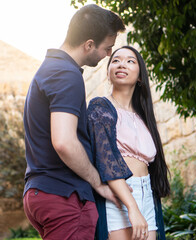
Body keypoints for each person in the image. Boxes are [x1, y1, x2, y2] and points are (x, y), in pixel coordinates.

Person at [22, 4, 125, 240]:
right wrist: (97, 182)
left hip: (41, 192)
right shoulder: (67, 74)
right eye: (107, 48)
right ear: (89, 44)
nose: (109, 55)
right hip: (65, 196)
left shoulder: (49, 69)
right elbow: (64, 142)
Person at [87, 46, 170, 240]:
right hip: (119, 195)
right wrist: (132, 207)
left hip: (146, 192)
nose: (121, 64)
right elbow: (106, 162)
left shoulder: (144, 116)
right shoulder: (100, 107)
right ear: (108, 73)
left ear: (140, 76)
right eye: (115, 60)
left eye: (130, 61)